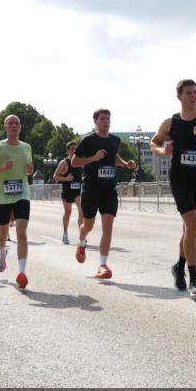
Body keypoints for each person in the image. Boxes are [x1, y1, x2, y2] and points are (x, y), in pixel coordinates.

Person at [150, 79, 196, 297]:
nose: (194, 95)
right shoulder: (170, 123)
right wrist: (164, 151)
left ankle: (178, 266)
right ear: (179, 96)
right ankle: (194, 279)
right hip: (180, 179)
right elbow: (153, 142)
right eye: (189, 92)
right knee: (191, 225)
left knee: (188, 229)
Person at [71, 111, 136, 279]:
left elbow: (114, 157)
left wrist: (125, 164)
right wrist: (93, 158)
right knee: (89, 225)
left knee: (108, 226)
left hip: (109, 190)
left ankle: (102, 265)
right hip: (91, 189)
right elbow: (75, 161)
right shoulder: (88, 140)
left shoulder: (115, 140)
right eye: (102, 119)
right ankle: (82, 240)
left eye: (108, 118)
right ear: (96, 122)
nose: (106, 121)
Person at [0, 115, 34, 288]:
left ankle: (22, 272)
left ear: (20, 127)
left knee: (21, 231)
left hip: (22, 193)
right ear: (5, 127)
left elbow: (29, 170)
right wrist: (2, 168)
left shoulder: (27, 147)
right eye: (10, 123)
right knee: (3, 231)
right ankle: (2, 252)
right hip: (2, 195)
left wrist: (30, 171)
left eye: (17, 123)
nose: (13, 125)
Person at [52, 141, 83, 244]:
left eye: (76, 148)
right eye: (72, 148)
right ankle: (65, 234)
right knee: (68, 212)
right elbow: (55, 176)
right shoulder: (64, 162)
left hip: (78, 191)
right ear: (68, 150)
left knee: (81, 211)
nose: (74, 150)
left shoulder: (80, 161)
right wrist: (66, 178)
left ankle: (82, 236)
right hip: (67, 191)